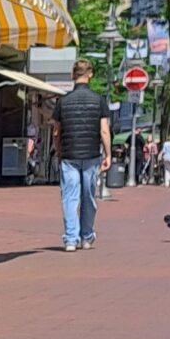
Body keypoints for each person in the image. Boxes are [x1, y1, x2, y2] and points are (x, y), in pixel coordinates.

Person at [53, 59, 111, 251]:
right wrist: (108, 154)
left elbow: (56, 132)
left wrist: (59, 151)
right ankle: (86, 236)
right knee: (88, 196)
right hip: (91, 155)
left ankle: (71, 239)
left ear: (72, 75)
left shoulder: (63, 101)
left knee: (69, 197)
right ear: (90, 74)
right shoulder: (99, 100)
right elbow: (104, 130)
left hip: (69, 154)